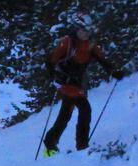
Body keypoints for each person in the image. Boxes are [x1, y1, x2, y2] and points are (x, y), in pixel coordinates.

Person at [41, 19, 125, 155]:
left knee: (67, 113)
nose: (86, 33)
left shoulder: (90, 44)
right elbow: (51, 62)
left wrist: (114, 72)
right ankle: (80, 145)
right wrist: (55, 78)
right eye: (83, 30)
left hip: (77, 82)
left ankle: (51, 144)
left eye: (88, 30)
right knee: (83, 110)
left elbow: (102, 60)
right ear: (77, 30)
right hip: (65, 82)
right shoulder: (67, 42)